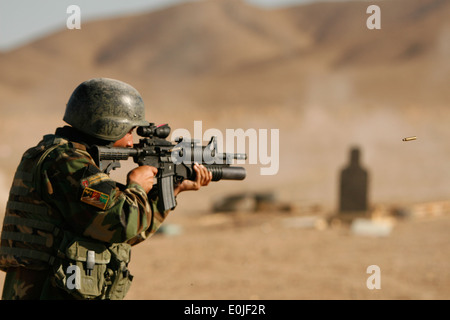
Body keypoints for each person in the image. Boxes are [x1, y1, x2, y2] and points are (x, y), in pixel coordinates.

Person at [0, 78, 212, 300]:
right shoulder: (66, 163)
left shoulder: (61, 156)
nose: (131, 142)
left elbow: (119, 233)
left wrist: (171, 191)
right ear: (108, 126)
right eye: (129, 131)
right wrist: (137, 186)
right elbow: (120, 223)